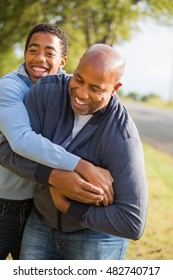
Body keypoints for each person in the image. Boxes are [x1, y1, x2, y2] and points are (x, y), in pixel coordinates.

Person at [0, 43, 148, 260]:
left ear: (115, 88)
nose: (81, 93)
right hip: (41, 223)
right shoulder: (47, 92)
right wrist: (55, 177)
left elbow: (133, 222)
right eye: (78, 79)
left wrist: (69, 206)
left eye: (95, 88)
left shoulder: (122, 136)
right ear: (76, 66)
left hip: (96, 238)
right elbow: (5, 149)